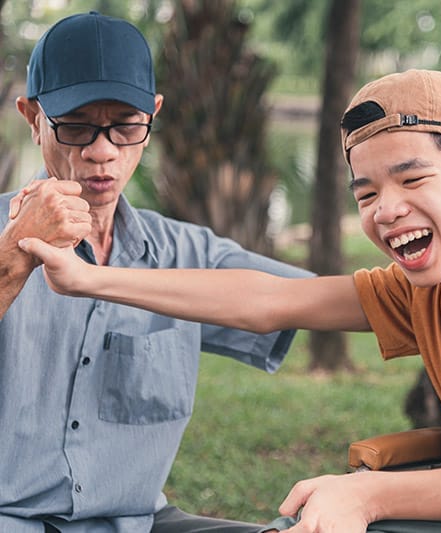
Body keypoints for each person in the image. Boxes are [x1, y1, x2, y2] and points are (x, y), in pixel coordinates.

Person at [19, 69, 441, 533]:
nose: (388, 211)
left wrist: (366, 492)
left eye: (412, 176)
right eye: (365, 193)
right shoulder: (429, 286)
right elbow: (269, 301)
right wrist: (88, 279)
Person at [1, 11, 311, 533]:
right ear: (32, 118)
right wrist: (16, 253)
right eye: (75, 126)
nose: (102, 152)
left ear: (153, 117)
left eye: (125, 126)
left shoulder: (189, 252)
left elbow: (344, 300)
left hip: (142, 522)